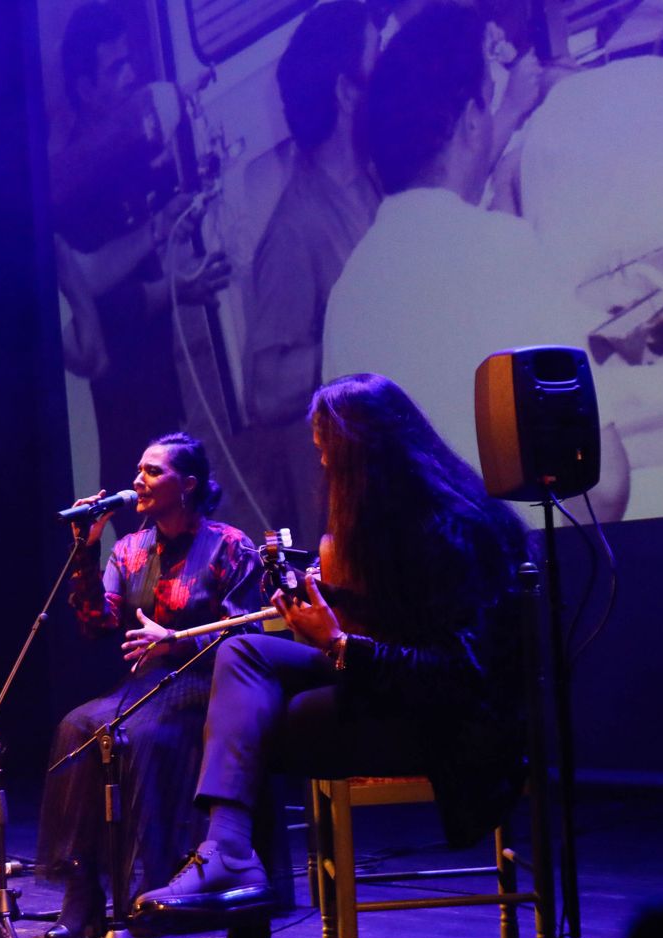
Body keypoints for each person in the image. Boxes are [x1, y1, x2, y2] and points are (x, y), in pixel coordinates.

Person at [130, 374, 531, 938]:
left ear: (359, 453)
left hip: (454, 727)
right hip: (394, 692)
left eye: (325, 454)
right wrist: (338, 608)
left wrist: (341, 643)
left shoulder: (453, 528)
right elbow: (407, 626)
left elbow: (461, 674)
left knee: (251, 727)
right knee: (243, 655)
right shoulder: (402, 523)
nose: (320, 468)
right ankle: (228, 854)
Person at [320, 2, 630, 520]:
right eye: (489, 106)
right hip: (517, 571)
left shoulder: (347, 295)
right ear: (470, 122)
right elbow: (606, 488)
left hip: (425, 587)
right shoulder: (501, 249)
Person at [35, 433, 263, 938]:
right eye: (139, 469)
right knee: (76, 726)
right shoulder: (130, 548)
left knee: (138, 735)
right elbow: (97, 623)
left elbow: (244, 633)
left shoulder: (230, 545)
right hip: (144, 685)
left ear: (188, 484)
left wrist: (174, 641)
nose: (139, 479)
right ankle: (82, 891)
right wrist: (87, 548)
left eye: (154, 471)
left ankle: (148, 889)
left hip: (206, 684)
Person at [49, 1, 231, 491]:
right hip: (120, 398)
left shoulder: (131, 157)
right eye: (116, 68)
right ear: (86, 89)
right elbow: (95, 302)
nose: (131, 76)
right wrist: (176, 286)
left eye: (131, 62)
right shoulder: (73, 186)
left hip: (157, 382)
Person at [241, 0, 382, 553]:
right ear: (348, 93)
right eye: (380, 69)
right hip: (354, 508)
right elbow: (265, 388)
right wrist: (362, 335)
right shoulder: (294, 231)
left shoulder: (372, 182)